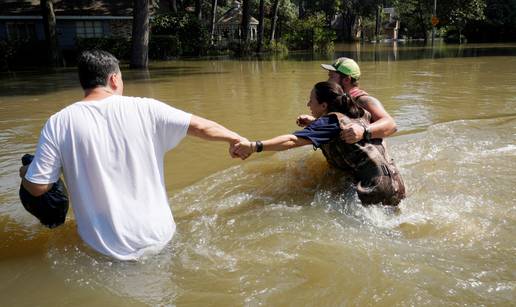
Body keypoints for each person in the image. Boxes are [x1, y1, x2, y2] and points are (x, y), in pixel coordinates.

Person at [19, 50, 247, 260]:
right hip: (161, 238)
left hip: (105, 249)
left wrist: (26, 171)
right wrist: (236, 139)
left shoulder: (59, 122)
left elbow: (38, 187)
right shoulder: (147, 108)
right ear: (114, 79)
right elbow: (201, 126)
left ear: (84, 82)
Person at [233, 81, 405, 206]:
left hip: (373, 190)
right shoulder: (357, 112)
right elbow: (338, 128)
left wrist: (254, 146)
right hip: (397, 185)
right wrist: (314, 122)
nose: (308, 104)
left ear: (324, 105)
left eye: (311, 100)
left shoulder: (328, 122)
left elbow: (291, 140)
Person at [297, 57, 398, 144]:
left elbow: (391, 125)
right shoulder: (339, 101)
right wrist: (314, 122)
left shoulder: (364, 100)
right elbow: (342, 126)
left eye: (331, 76)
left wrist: (363, 132)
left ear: (346, 80)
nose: (328, 81)